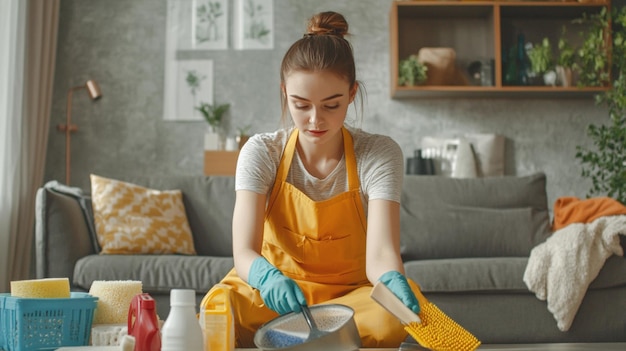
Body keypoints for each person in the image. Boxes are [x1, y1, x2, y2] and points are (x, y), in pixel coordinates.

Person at [216, 11, 427, 348]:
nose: (315, 120)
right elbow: (243, 251)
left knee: (391, 317)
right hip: (277, 294)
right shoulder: (261, 151)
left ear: (352, 93)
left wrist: (390, 277)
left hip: (350, 298)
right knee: (219, 308)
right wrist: (266, 277)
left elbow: (382, 252)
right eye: (301, 105)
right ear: (285, 92)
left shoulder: (379, 153)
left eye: (332, 105)